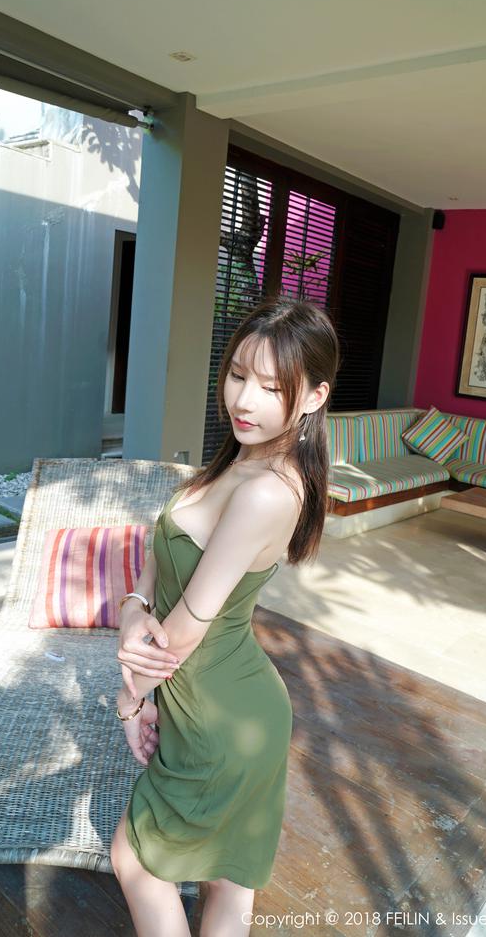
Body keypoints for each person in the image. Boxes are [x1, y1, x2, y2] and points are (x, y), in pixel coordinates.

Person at [109, 295, 340, 936]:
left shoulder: (269, 491)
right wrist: (132, 611)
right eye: (238, 374)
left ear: (314, 397)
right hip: (212, 702)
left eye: (271, 387)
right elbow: (160, 558)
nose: (244, 399)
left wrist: (130, 701)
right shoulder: (240, 458)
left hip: (223, 722)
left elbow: (182, 632)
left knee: (137, 861)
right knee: (226, 884)